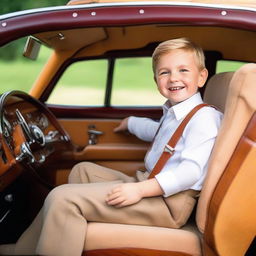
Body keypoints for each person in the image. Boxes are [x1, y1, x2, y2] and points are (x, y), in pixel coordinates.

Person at [0, 38, 222, 256]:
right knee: (82, 170)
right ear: (156, 80)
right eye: (164, 72)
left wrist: (139, 190)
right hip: (150, 184)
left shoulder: (204, 118)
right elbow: (159, 133)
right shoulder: (177, 113)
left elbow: (190, 172)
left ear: (202, 77)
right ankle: (26, 249)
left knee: (61, 198)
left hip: (169, 204)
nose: (174, 78)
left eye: (184, 70)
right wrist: (132, 123)